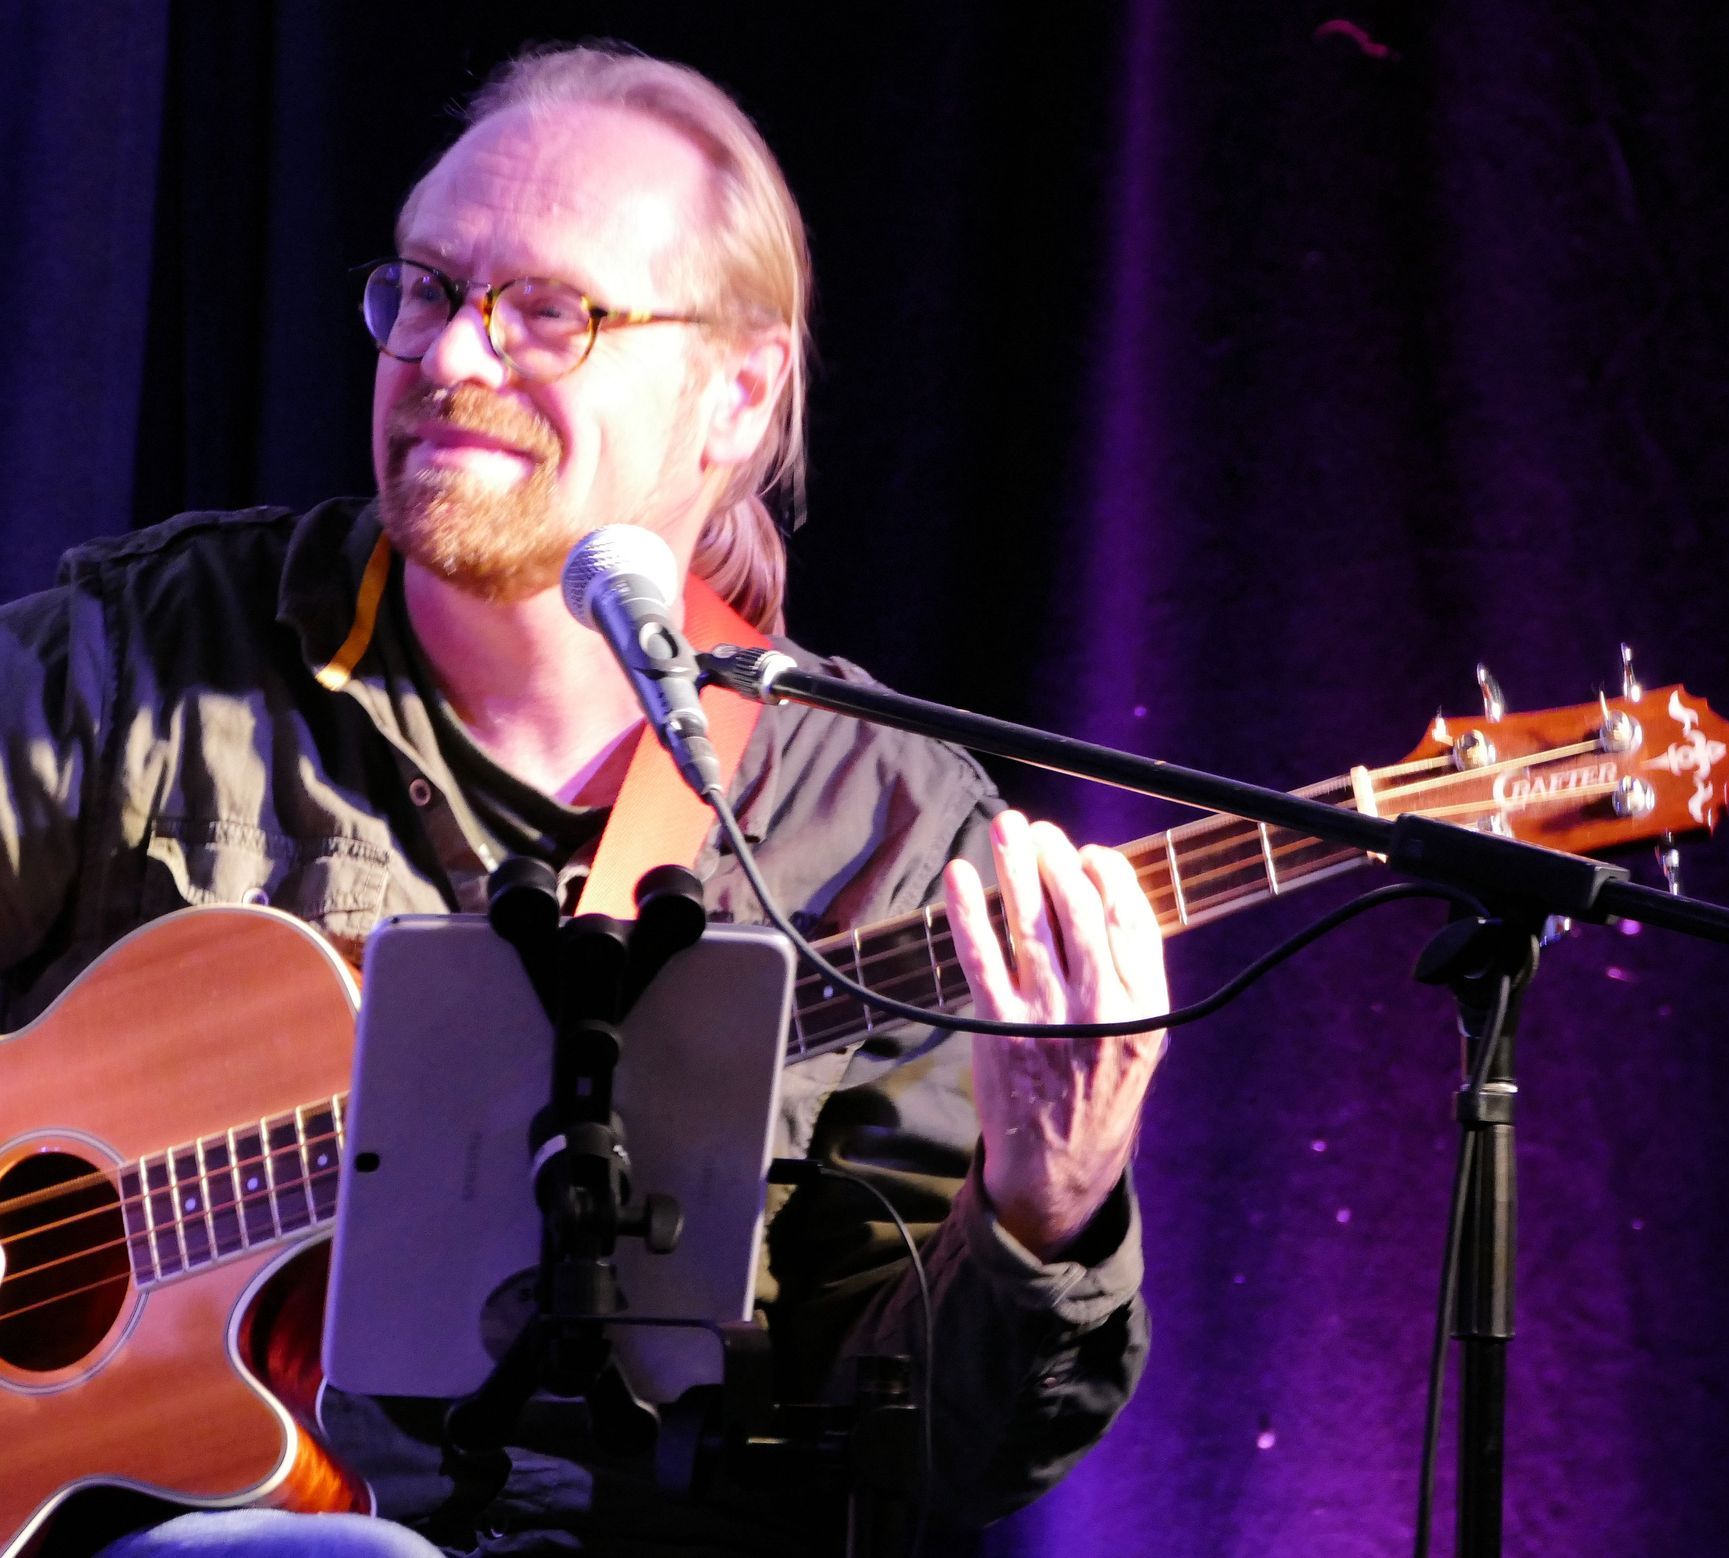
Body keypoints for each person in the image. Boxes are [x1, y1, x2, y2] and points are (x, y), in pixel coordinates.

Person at [0, 42, 1168, 1557]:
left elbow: (921, 1463)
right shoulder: (147, 663)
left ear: (733, 398)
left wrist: (1044, 1206)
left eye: (547, 311)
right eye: (425, 288)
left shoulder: (883, 827)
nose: (452, 358)